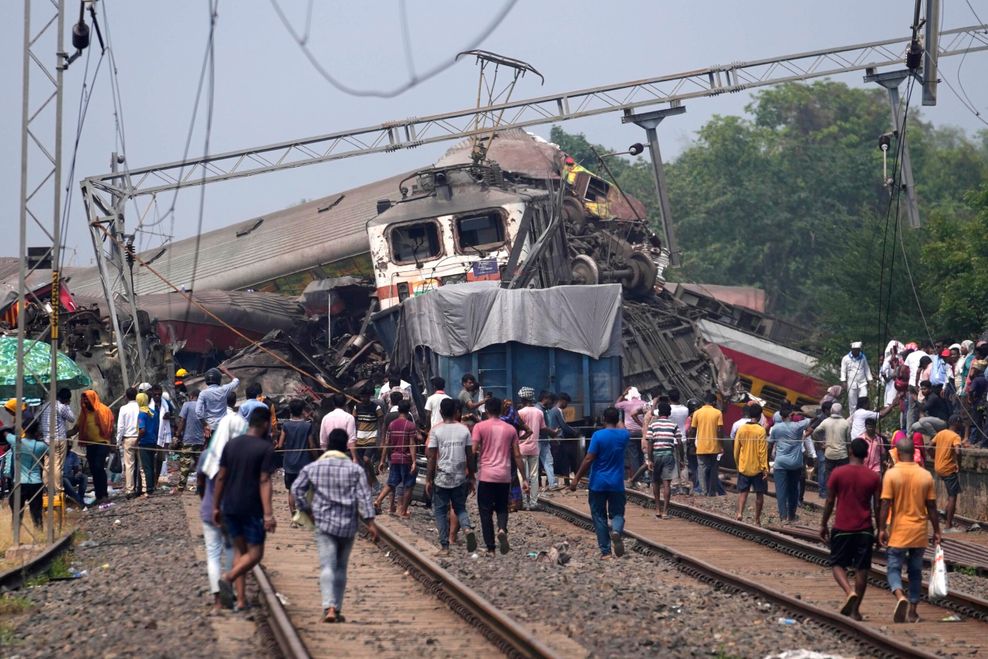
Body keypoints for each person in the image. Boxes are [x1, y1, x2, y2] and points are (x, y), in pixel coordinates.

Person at [291, 428, 379, 623]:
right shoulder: (355, 470)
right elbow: (365, 498)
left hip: (324, 522)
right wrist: (371, 523)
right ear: (346, 447)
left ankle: (328, 607)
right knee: (341, 567)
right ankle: (336, 609)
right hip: (348, 524)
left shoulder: (314, 468)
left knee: (327, 566)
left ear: (328, 445)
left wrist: (307, 510)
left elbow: (296, 489)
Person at [213, 407, 276, 611]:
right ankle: (227, 577)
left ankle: (241, 601)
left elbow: (221, 476)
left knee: (241, 553)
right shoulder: (265, 448)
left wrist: (216, 506)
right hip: (251, 508)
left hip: (230, 506)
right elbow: (264, 480)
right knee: (255, 554)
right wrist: (268, 514)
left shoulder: (231, 445)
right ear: (266, 424)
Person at [879, 433, 941, 623]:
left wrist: (881, 529)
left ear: (897, 452)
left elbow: (885, 504)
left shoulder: (891, 474)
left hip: (899, 532)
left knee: (893, 568)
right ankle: (913, 610)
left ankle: (900, 596)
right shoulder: (925, 475)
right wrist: (937, 531)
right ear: (914, 451)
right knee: (915, 572)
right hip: (919, 533)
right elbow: (932, 507)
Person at [819, 437, 881, 621]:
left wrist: (823, 524)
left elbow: (830, 500)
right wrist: (880, 528)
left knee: (837, 564)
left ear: (850, 452)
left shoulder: (838, 473)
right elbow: (878, 505)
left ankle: (849, 591)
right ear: (866, 454)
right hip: (865, 528)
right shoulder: (873, 477)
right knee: (862, 569)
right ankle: (855, 610)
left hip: (842, 526)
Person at [197, 391, 247, 612]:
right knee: (231, 551)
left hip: (210, 511)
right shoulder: (241, 457)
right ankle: (234, 592)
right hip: (233, 512)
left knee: (212, 554)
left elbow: (200, 482)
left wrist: (206, 501)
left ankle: (218, 600)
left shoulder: (208, 454)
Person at [570, 407, 628, 559]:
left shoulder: (598, 435)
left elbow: (589, 459)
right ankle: (616, 530)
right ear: (617, 420)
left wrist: (576, 478)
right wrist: (618, 419)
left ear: (603, 419)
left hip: (598, 483)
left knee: (599, 516)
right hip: (617, 483)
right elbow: (622, 427)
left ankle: (606, 552)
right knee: (617, 513)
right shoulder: (624, 435)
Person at [473, 397, 529, 555]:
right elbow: (517, 455)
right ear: (501, 410)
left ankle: (490, 548)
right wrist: (524, 478)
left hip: (486, 475)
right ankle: (502, 529)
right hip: (504, 475)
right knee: (502, 507)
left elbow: (473, 450)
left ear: (486, 410)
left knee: (485, 511)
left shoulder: (480, 427)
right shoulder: (510, 429)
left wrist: (470, 472)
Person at [425, 398, 477, 553]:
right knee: (460, 507)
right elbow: (470, 455)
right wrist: (472, 476)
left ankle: (445, 546)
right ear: (456, 412)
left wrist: (428, 479)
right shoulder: (464, 429)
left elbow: (432, 457)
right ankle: (467, 529)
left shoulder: (436, 430)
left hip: (441, 477)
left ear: (440, 413)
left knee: (440, 511)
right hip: (460, 476)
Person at [374, 400, 419, 516]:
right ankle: (403, 511)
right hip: (406, 459)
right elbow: (412, 444)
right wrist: (414, 461)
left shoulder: (392, 424)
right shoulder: (410, 425)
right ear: (409, 411)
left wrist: (382, 460)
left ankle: (378, 500)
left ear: (398, 410)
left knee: (391, 483)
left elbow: (387, 443)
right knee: (409, 485)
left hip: (394, 458)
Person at [768, 402, 811, 523]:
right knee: (793, 490)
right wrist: (800, 413)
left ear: (781, 416)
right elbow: (815, 418)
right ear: (791, 415)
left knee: (781, 491)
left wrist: (767, 461)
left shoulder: (776, 428)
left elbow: (770, 445)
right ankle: (792, 515)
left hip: (780, 463)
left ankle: (783, 517)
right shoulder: (798, 426)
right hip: (796, 464)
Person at [276, 399, 317, 520]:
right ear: (302, 410)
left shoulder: (286, 425)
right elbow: (311, 445)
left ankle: (293, 514)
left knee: (291, 490)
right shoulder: (307, 425)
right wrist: (316, 459)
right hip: (304, 464)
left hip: (289, 464)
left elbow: (280, 445)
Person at [71, 389, 114, 504]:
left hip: (102, 443)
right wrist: (65, 434)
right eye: (84, 400)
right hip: (90, 445)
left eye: (87, 400)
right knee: (94, 470)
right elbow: (77, 427)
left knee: (99, 467)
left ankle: (104, 494)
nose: (85, 402)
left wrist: (112, 443)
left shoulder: (104, 410)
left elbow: (110, 427)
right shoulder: (84, 413)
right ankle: (98, 495)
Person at [4, 416, 47, 529]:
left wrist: (12, 429)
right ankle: (40, 536)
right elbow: (51, 452)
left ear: (24, 429)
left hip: (19, 484)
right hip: (36, 483)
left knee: (17, 514)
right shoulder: (41, 446)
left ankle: (16, 538)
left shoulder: (15, 441)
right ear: (37, 431)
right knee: (37, 514)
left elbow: (5, 433)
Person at [643, 402, 681, 519]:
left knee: (655, 481)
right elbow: (679, 443)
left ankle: (658, 510)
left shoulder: (653, 425)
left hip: (656, 455)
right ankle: (665, 511)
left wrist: (649, 460)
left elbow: (650, 442)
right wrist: (682, 459)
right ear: (669, 413)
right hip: (669, 455)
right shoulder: (673, 425)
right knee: (667, 484)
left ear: (659, 413)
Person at [733, 403, 769, 526]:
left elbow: (736, 448)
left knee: (743, 492)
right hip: (757, 468)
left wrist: (738, 463)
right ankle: (757, 519)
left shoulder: (742, 429)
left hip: (744, 466)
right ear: (759, 416)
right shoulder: (761, 430)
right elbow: (762, 451)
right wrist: (765, 467)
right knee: (759, 494)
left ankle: (739, 513)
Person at [931, 416, 968, 532]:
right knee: (953, 496)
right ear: (956, 423)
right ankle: (948, 526)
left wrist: (934, 457)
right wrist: (959, 464)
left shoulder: (941, 433)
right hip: (948, 468)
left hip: (938, 467)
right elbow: (957, 450)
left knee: (950, 492)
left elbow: (928, 446)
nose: (961, 424)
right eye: (960, 422)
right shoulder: (955, 436)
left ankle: (945, 511)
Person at [38, 387, 76, 495]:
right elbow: (72, 418)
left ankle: (46, 489)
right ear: (66, 399)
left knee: (47, 465)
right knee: (58, 465)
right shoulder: (61, 407)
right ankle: (58, 490)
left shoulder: (44, 406)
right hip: (59, 439)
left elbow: (39, 422)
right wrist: (67, 406)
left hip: (46, 440)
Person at [813, 402, 850, 498]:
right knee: (843, 476)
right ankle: (841, 495)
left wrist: (821, 443)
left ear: (832, 411)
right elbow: (848, 440)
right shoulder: (846, 423)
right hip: (842, 455)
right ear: (841, 411)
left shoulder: (826, 421)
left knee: (829, 476)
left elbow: (815, 433)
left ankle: (828, 495)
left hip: (829, 454)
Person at [690, 393, 723, 496]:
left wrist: (691, 444)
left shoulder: (697, 413)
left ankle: (703, 491)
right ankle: (712, 492)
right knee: (713, 469)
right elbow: (719, 430)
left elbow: (693, 430)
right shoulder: (718, 413)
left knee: (701, 469)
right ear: (713, 402)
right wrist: (721, 445)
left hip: (701, 446)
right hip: (714, 446)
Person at [516, 387, 544, 510]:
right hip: (534, 447)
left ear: (522, 398)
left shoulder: (520, 412)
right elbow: (542, 428)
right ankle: (533, 502)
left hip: (521, 447)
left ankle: (524, 502)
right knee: (534, 475)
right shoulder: (539, 412)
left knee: (522, 475)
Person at [352, 386, 383, 489]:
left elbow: (382, 423)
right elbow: (354, 422)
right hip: (359, 438)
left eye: (365, 397)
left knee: (366, 460)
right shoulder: (357, 407)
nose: (363, 399)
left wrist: (381, 439)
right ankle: (368, 486)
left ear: (369, 396)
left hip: (371, 438)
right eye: (362, 397)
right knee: (362, 464)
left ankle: (374, 480)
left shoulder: (376, 408)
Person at [196, 367, 240, 437]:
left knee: (210, 447)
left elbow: (198, 412)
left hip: (210, 428)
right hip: (223, 427)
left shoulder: (203, 393)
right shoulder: (224, 389)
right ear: (218, 379)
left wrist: (205, 425)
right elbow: (236, 381)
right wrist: (225, 371)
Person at [176, 388, 205, 492]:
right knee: (199, 465)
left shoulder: (186, 405)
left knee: (185, 465)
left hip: (188, 439)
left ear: (192, 396)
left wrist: (178, 434)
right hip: (200, 440)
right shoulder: (202, 406)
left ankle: (181, 487)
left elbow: (182, 420)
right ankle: (200, 487)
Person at [547, 393, 579, 483]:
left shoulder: (552, 410)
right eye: (567, 403)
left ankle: (557, 480)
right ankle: (562, 481)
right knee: (563, 460)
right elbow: (564, 426)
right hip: (557, 439)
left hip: (553, 438)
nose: (567, 405)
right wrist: (575, 432)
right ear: (562, 401)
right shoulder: (557, 410)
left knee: (554, 461)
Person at [115, 387, 141, 498]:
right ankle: (143, 488)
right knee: (141, 465)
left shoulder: (123, 409)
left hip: (128, 439)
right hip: (140, 438)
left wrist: (117, 441)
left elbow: (120, 427)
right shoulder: (141, 407)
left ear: (126, 396)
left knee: (129, 465)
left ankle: (130, 490)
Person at [535, 391, 560, 492]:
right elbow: (542, 427)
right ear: (546, 399)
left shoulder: (544, 410)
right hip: (538, 440)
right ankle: (535, 485)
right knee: (536, 464)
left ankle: (552, 483)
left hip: (543, 439)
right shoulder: (538, 410)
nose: (553, 404)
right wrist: (553, 433)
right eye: (552, 401)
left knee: (548, 462)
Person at [135, 393, 159, 497]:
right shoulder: (153, 412)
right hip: (153, 441)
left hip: (144, 442)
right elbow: (157, 427)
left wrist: (137, 440)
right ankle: (153, 486)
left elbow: (142, 430)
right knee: (152, 465)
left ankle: (149, 489)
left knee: (146, 466)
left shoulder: (141, 414)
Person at [840, 342, 872, 414]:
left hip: (862, 382)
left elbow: (867, 369)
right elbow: (843, 371)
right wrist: (843, 381)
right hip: (851, 383)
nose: (857, 351)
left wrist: (870, 379)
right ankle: (852, 418)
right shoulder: (845, 358)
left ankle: (862, 415)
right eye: (855, 350)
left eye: (858, 350)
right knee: (852, 403)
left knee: (864, 398)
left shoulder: (863, 357)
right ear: (852, 349)